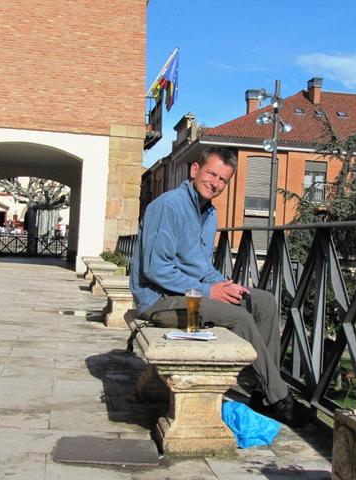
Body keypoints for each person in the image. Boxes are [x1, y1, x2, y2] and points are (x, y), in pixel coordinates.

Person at [130, 146, 315, 428]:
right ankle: (279, 399)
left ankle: (261, 393)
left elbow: (200, 267)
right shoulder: (169, 206)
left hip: (188, 294)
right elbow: (155, 270)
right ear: (195, 170)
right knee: (238, 317)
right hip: (157, 301)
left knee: (263, 302)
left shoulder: (209, 213)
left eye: (223, 180)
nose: (216, 183)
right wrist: (209, 292)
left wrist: (222, 283)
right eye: (211, 174)